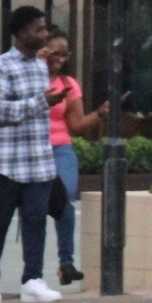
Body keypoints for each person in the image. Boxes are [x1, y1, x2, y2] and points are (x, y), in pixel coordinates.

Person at [0, 5, 62, 303]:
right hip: (7, 161)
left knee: (36, 218)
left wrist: (46, 102)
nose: (45, 33)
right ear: (22, 32)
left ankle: (33, 279)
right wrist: (40, 102)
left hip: (38, 158)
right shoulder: (0, 68)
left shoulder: (40, 66)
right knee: (1, 219)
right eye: (38, 28)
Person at [42, 30, 102, 286]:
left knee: (64, 197)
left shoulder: (68, 84)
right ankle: (32, 269)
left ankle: (66, 263)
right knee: (34, 205)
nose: (60, 59)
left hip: (60, 148)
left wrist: (100, 113)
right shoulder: (30, 78)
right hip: (33, 148)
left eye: (64, 54)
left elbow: (76, 125)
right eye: (54, 53)